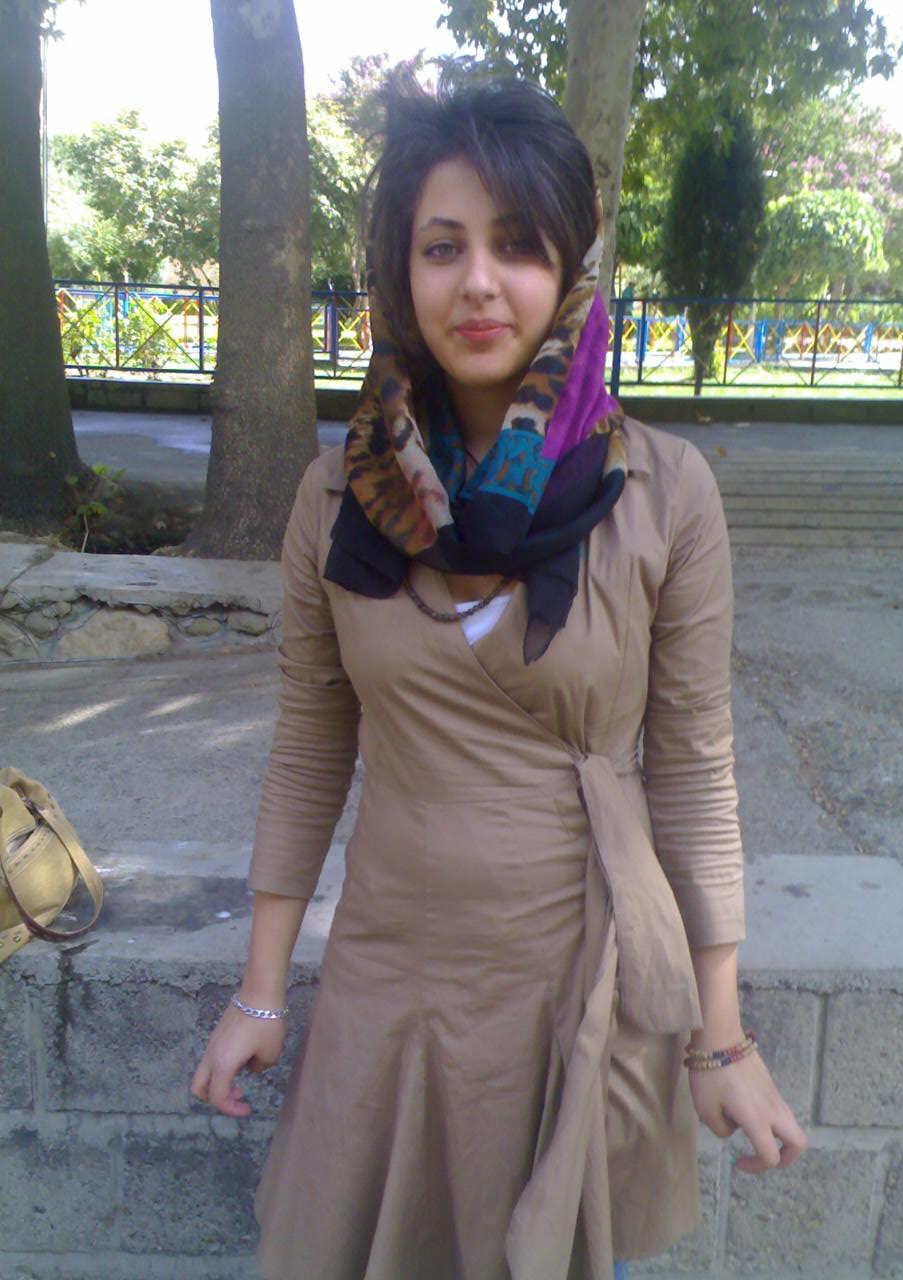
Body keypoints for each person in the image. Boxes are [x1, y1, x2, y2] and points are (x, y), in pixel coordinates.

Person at [191, 73, 806, 1280]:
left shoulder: (663, 491)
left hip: (576, 977)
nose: (479, 281)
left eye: (518, 244)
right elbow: (311, 749)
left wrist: (720, 1038)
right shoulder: (337, 496)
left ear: (569, 269)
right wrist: (261, 992)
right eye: (443, 245)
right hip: (390, 976)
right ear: (400, 271)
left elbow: (694, 770)